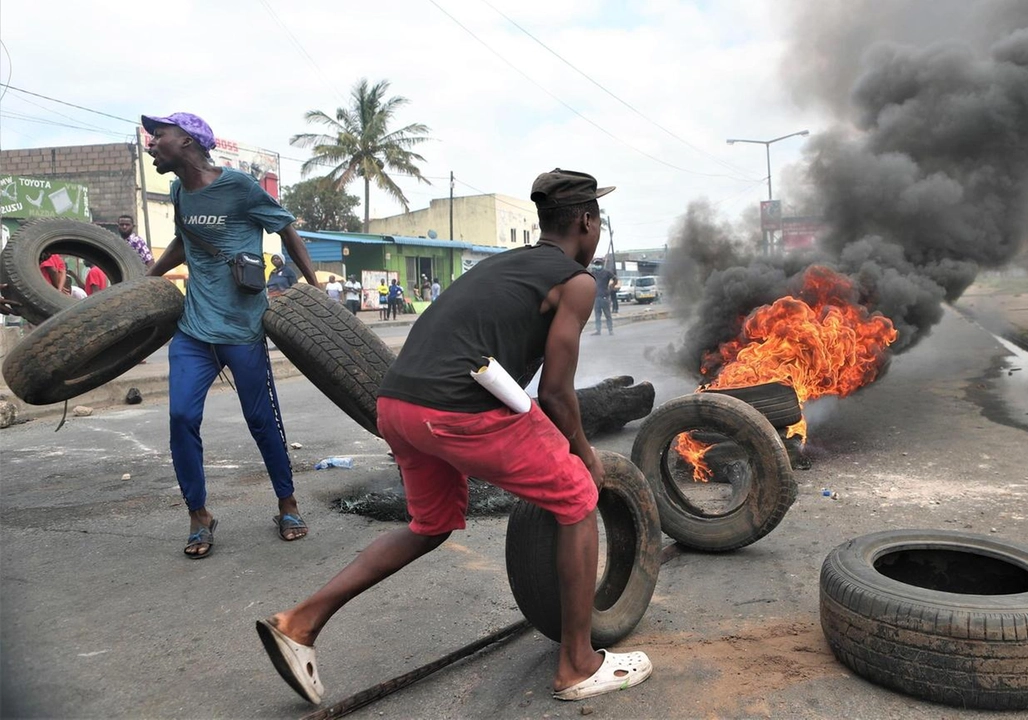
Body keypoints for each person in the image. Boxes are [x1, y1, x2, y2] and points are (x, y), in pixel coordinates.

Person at [257, 169, 652, 705]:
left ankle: (300, 622)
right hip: (455, 407)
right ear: (587, 221)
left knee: (431, 524)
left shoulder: (501, 266)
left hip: (396, 403)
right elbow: (556, 393)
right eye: (598, 221)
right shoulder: (575, 281)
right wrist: (585, 454)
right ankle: (578, 665)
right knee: (579, 498)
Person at [142, 111, 319, 559]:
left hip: (242, 330)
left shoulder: (239, 187)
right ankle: (198, 515)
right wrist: (148, 277)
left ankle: (287, 503)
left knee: (262, 420)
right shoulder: (179, 191)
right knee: (181, 417)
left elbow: (285, 229)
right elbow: (185, 240)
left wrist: (316, 289)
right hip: (194, 329)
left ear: (186, 141)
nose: (151, 142)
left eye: (158, 135)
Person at [589, 258, 614, 336]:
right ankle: (598, 330)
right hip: (596, 297)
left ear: (602, 265)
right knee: (597, 315)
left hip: (605, 297)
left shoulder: (607, 273)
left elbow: (615, 279)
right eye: (596, 264)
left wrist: (611, 287)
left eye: (599, 264)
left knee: (607, 315)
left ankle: (610, 330)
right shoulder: (593, 273)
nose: (597, 266)